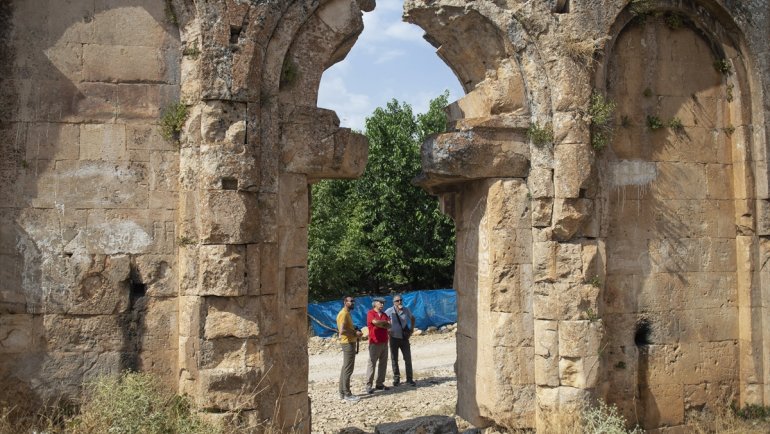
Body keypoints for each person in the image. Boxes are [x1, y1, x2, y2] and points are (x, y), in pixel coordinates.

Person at [385, 294, 416, 387]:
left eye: (400, 300)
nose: (399, 302)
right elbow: (383, 321)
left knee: (407, 358)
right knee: (394, 359)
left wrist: (411, 329)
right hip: (393, 338)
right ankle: (396, 379)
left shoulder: (406, 310)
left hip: (404, 338)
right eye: (397, 301)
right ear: (393, 302)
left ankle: (409, 379)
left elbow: (413, 318)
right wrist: (387, 330)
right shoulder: (389, 311)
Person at [337, 296, 362, 402]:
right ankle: (347, 394)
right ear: (345, 302)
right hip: (348, 343)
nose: (352, 303)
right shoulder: (343, 314)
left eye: (353, 301)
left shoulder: (346, 313)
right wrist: (355, 333)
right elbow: (342, 331)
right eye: (350, 301)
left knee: (345, 368)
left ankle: (342, 393)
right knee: (348, 369)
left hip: (348, 342)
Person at [365, 297, 391, 394]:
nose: (382, 305)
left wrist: (381, 324)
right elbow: (375, 322)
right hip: (374, 342)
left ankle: (380, 383)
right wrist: (382, 324)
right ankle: (368, 385)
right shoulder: (371, 313)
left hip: (384, 341)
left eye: (383, 303)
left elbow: (389, 325)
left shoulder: (384, 314)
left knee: (383, 363)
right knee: (372, 363)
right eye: (380, 303)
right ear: (375, 303)